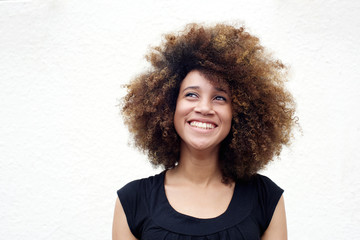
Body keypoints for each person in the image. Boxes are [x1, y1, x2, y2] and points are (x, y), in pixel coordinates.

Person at [112, 23, 296, 240]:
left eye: (219, 98)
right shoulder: (133, 201)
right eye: (191, 95)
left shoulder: (266, 198)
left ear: (239, 112)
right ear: (169, 105)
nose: (204, 108)